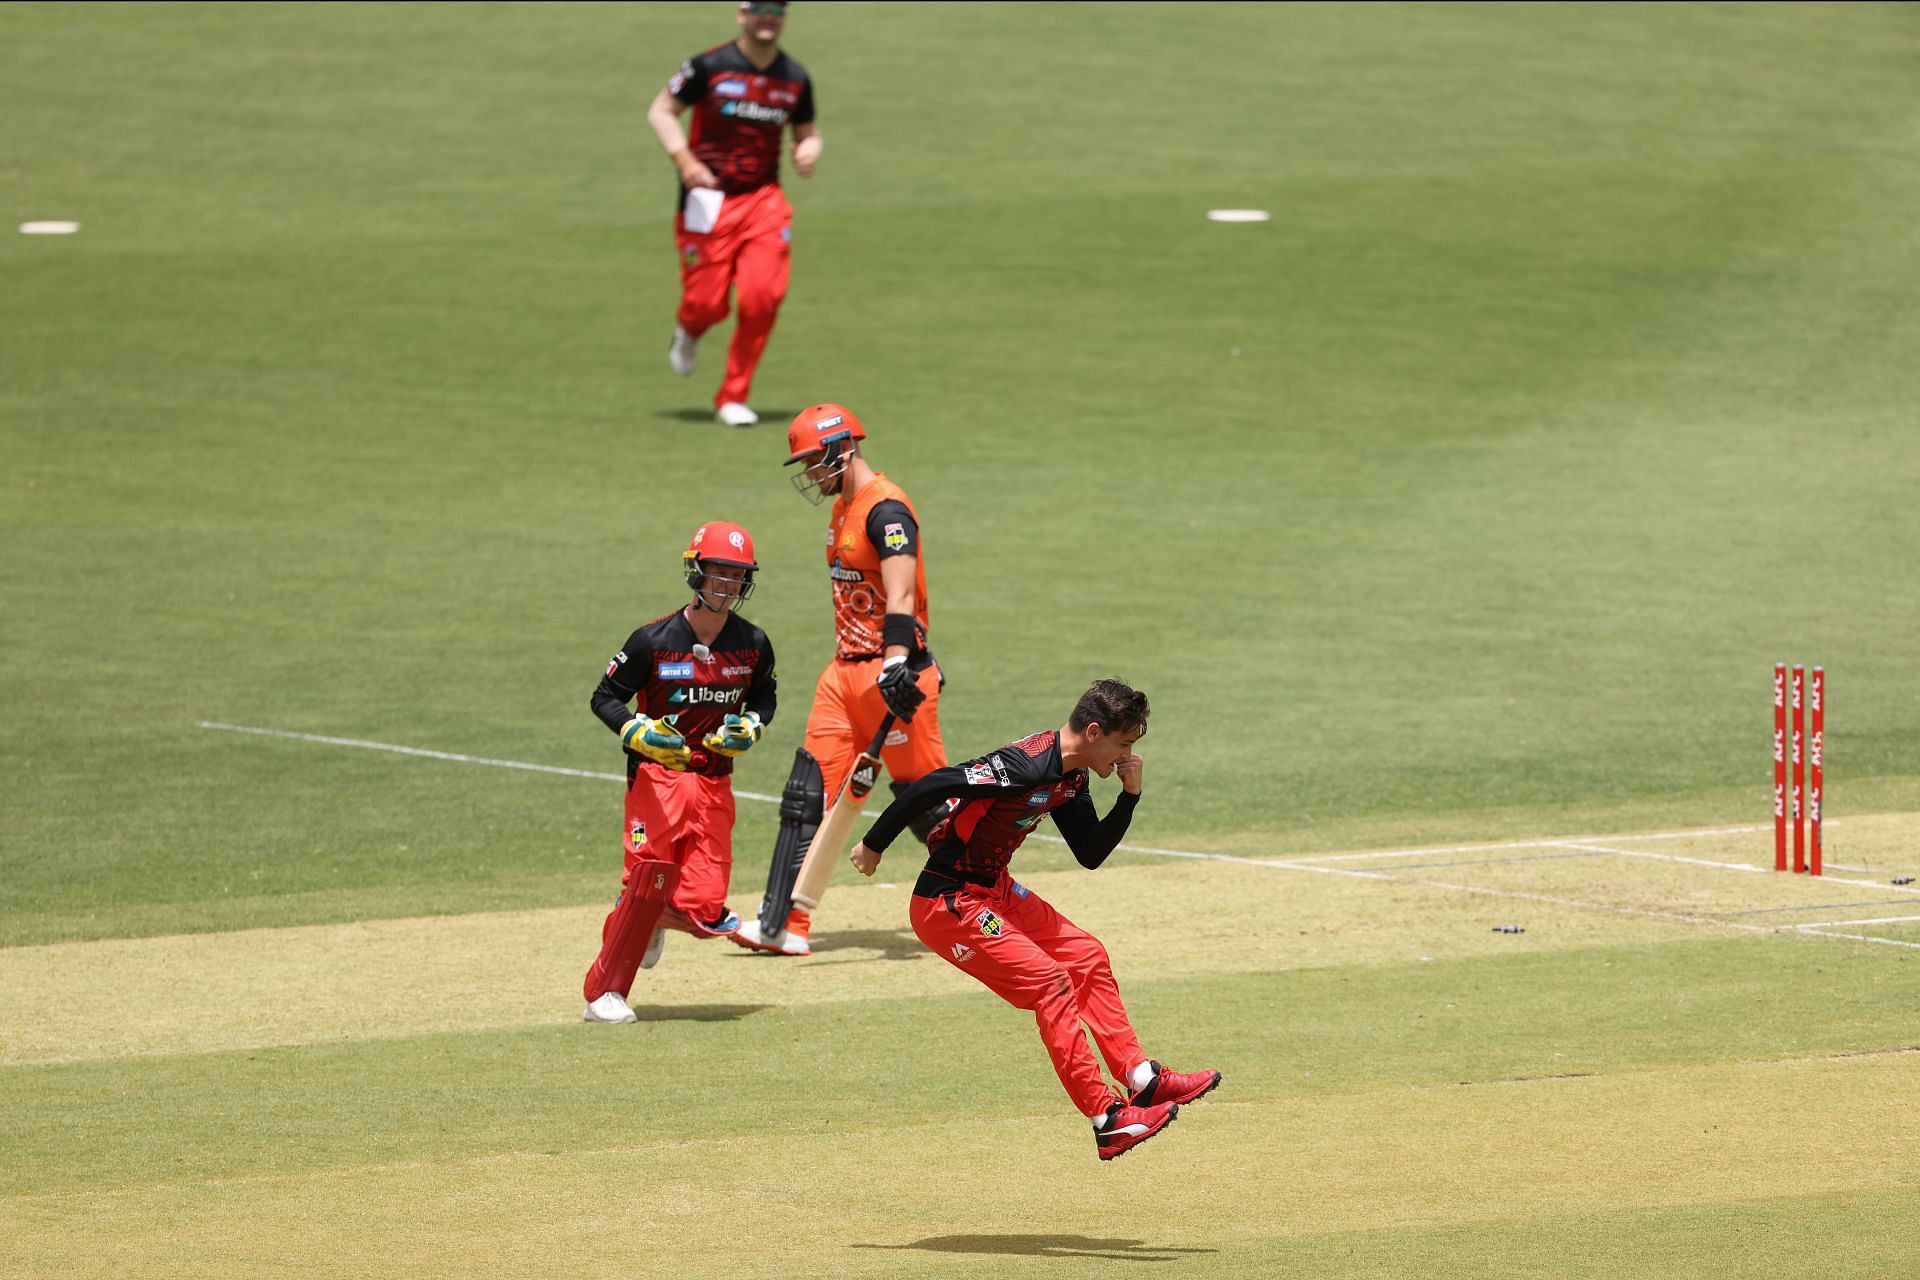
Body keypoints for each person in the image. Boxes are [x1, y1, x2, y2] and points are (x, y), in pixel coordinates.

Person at [848, 680, 1221, 1161]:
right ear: (1092, 731)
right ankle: (1107, 1119)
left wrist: (1128, 797)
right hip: (949, 901)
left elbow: (1090, 852)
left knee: (1085, 955)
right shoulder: (1021, 766)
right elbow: (930, 785)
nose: (1129, 755)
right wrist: (873, 845)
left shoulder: (1073, 778)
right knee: (1050, 983)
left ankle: (1141, 1081)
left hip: (996, 889)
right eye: (1124, 745)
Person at [732, 403, 947, 957]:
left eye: (813, 462)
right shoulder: (842, 509)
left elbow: (900, 594)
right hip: (842, 673)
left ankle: (987, 896)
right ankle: (784, 923)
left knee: (928, 803)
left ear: (841, 449)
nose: (809, 475)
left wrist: (898, 661)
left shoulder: (887, 510)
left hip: (892, 675)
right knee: (810, 795)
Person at [581, 521, 778, 1023]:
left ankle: (650, 919)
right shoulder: (652, 640)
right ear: (697, 570)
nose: (727, 585)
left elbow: (764, 696)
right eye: (718, 572)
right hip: (657, 779)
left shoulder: (753, 643)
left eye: (737, 576)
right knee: (644, 880)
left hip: (714, 781)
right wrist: (637, 732)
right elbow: (605, 698)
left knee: (707, 908)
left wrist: (751, 726)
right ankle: (605, 993)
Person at [647, 0, 820, 428]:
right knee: (706, 303)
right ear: (742, 14)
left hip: (764, 201)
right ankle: (689, 329)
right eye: (760, 8)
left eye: (777, 9)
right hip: (708, 200)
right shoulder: (708, 66)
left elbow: (808, 132)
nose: (769, 17)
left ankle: (733, 395)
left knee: (763, 297)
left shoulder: (794, 77)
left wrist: (809, 150)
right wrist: (685, 161)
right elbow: (662, 111)